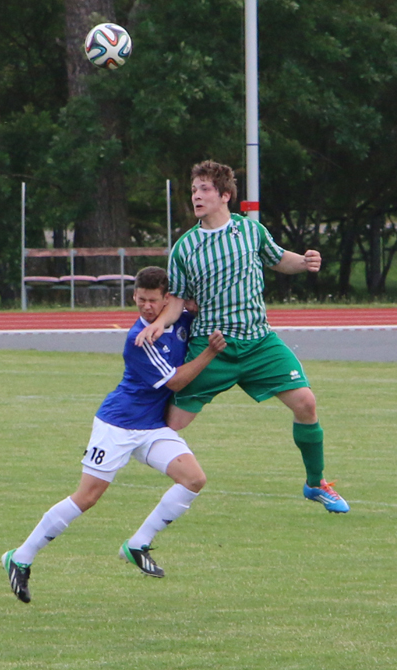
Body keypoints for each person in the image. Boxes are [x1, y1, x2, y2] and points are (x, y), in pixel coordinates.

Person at [2, 266, 226, 604]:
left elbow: (196, 304)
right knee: (87, 497)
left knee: (193, 479)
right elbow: (177, 382)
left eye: (153, 301)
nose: (146, 307)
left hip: (151, 427)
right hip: (118, 425)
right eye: (140, 299)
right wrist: (211, 352)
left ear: (167, 299)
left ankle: (137, 544)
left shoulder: (178, 319)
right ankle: (20, 556)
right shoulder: (139, 338)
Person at [137, 160, 349, 514]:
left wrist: (306, 261)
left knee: (306, 404)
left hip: (259, 342)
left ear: (225, 195)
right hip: (212, 347)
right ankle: (159, 470)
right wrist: (160, 322)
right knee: (169, 427)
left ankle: (315, 484)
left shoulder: (250, 231)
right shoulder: (185, 248)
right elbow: (176, 300)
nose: (197, 196)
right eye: (194, 190)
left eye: (204, 189)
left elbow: (279, 259)